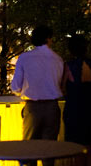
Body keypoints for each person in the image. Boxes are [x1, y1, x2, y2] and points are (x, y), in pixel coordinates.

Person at [11, 25, 64, 166]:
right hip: (52, 107)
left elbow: (15, 86)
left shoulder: (24, 58)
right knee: (49, 150)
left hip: (33, 107)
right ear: (48, 39)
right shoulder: (58, 59)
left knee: (29, 149)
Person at [62, 35, 91, 166]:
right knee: (89, 149)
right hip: (89, 108)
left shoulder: (68, 66)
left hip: (74, 110)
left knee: (77, 150)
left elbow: (63, 88)